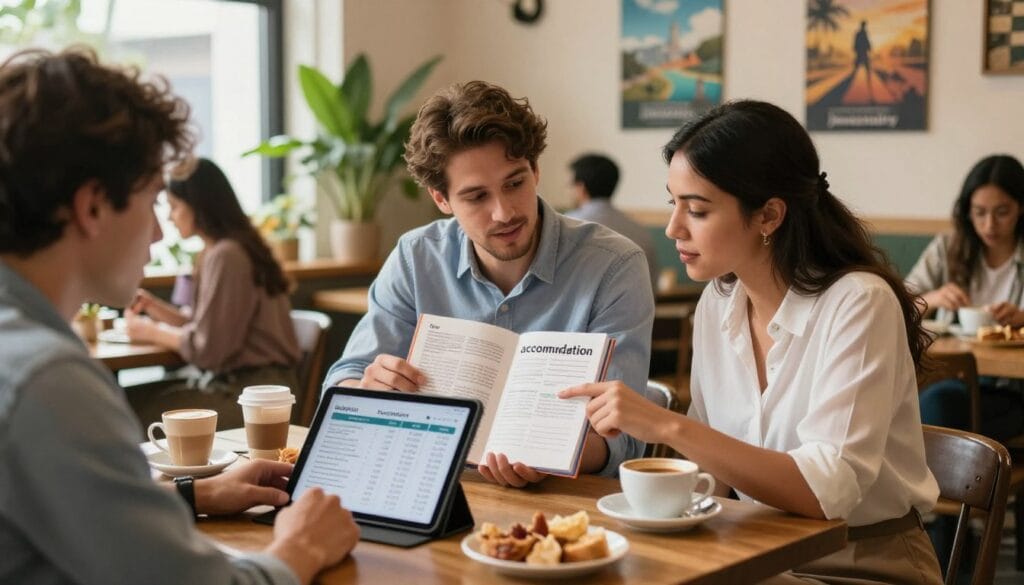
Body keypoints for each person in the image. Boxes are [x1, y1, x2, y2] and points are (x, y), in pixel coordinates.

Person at [0, 48, 358, 585]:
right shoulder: (48, 381)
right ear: (92, 206)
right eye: (150, 203)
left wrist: (193, 492)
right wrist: (298, 549)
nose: (160, 233)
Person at [560, 100, 943, 584]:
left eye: (696, 209)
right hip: (752, 549)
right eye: (672, 203)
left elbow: (826, 492)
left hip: (861, 564)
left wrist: (666, 426)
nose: (674, 228)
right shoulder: (719, 303)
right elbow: (713, 472)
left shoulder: (859, 303)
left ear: (769, 215)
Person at [323, 81, 654, 488]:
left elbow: (624, 438)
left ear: (535, 170)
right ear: (442, 200)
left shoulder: (613, 265)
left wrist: (550, 454)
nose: (504, 213)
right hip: (425, 484)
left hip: (563, 505)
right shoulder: (416, 257)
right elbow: (344, 379)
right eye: (476, 196)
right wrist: (366, 389)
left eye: (515, 183)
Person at [125, 157, 301, 430]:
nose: (170, 217)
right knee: (122, 401)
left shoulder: (227, 256)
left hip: (254, 396)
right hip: (242, 387)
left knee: (124, 410)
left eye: (174, 207)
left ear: (198, 205)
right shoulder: (217, 251)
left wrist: (150, 331)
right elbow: (207, 329)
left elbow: (209, 351)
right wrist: (154, 307)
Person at [906, 155, 1024, 438]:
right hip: (951, 377)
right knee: (920, 407)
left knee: (936, 411)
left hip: (1013, 387)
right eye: (979, 212)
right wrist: (933, 298)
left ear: (1021, 207)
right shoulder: (947, 248)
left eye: (1002, 212)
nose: (989, 225)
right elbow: (897, 306)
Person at [565, 153, 658, 290]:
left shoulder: (566, 226)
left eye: (569, 185)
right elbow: (652, 284)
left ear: (581, 188)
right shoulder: (640, 230)